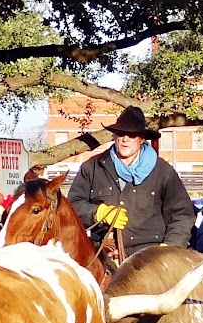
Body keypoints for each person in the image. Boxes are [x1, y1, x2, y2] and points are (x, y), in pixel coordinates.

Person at [67, 107, 194, 253]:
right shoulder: (92, 167)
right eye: (121, 133)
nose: (125, 139)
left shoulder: (163, 171)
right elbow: (71, 206)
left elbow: (182, 214)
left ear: (142, 139)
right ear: (114, 136)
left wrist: (170, 247)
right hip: (102, 253)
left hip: (150, 257)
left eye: (132, 135)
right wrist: (98, 213)